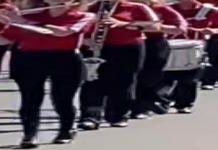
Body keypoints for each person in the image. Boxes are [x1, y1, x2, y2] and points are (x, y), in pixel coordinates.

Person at [0, 0, 93, 147]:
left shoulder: (83, 16)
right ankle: (30, 134)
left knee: (62, 99)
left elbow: (63, 32)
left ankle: (66, 130)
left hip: (65, 58)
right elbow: (2, 40)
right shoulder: (32, 15)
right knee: (30, 99)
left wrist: (22, 21)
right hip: (30, 58)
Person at [78, 0, 159, 130]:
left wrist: (123, 24)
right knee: (93, 82)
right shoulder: (91, 7)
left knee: (124, 81)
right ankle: (90, 117)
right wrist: (86, 39)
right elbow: (77, 26)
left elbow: (155, 26)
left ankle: (119, 116)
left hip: (128, 48)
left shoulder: (137, 7)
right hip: (97, 48)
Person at [132, 0, 186, 118]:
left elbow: (180, 27)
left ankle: (148, 103)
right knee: (132, 76)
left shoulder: (161, 9)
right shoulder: (124, 8)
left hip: (154, 44)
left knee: (151, 76)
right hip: (130, 44)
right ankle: (137, 106)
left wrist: (156, 27)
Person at [171, 0, 218, 97]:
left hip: (196, 47)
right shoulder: (169, 9)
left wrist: (212, 30)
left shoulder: (208, 10)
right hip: (171, 46)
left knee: (189, 74)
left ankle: (184, 103)